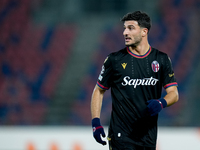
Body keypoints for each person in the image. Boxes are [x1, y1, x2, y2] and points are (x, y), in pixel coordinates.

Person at [91, 11, 179, 150]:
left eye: (131, 28)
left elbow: (174, 93)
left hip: (148, 136)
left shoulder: (161, 59)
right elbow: (98, 90)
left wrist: (162, 102)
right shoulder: (115, 60)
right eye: (124, 28)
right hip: (120, 136)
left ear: (144, 32)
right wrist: (96, 122)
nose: (125, 32)